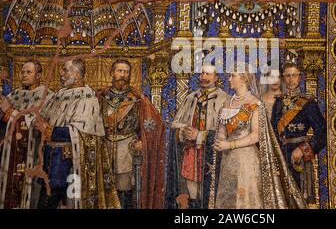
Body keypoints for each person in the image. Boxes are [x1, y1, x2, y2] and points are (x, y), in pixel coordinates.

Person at [209, 69, 306, 209]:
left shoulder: (255, 103)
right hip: (228, 161)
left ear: (243, 79)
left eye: (232, 76)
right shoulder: (226, 104)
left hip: (247, 161)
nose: (229, 79)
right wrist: (220, 141)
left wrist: (229, 145)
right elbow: (222, 131)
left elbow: (256, 135)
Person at [36, 59, 120, 209]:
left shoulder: (88, 98)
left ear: (77, 74)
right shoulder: (59, 94)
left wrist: (49, 130)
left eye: (65, 70)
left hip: (69, 161)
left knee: (66, 201)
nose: (61, 73)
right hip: (50, 158)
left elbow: (79, 132)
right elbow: (43, 117)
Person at [97, 59, 166, 209]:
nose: (123, 75)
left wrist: (144, 140)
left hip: (127, 148)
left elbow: (155, 124)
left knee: (125, 188)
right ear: (112, 73)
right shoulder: (101, 97)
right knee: (105, 188)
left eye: (126, 72)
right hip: (104, 148)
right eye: (119, 71)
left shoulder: (137, 98)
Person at [166, 65, 228, 209]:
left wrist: (200, 135)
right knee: (192, 192)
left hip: (213, 155)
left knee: (211, 192)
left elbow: (227, 132)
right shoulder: (191, 98)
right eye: (202, 74)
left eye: (208, 74)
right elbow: (176, 123)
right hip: (191, 153)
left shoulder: (224, 99)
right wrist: (183, 132)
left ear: (216, 77)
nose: (204, 77)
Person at [271, 63, 326, 203]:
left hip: (298, 157)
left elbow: (322, 133)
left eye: (294, 75)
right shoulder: (278, 102)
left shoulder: (308, 103)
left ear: (300, 78)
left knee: (299, 199)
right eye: (287, 76)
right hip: (280, 155)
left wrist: (303, 150)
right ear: (283, 78)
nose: (291, 79)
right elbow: (273, 131)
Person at [0, 61, 53, 209]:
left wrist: (9, 113)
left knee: (30, 194)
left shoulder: (46, 95)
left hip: (33, 151)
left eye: (28, 72)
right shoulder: (16, 94)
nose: (24, 75)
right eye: (22, 72)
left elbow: (34, 123)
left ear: (39, 75)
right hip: (10, 152)